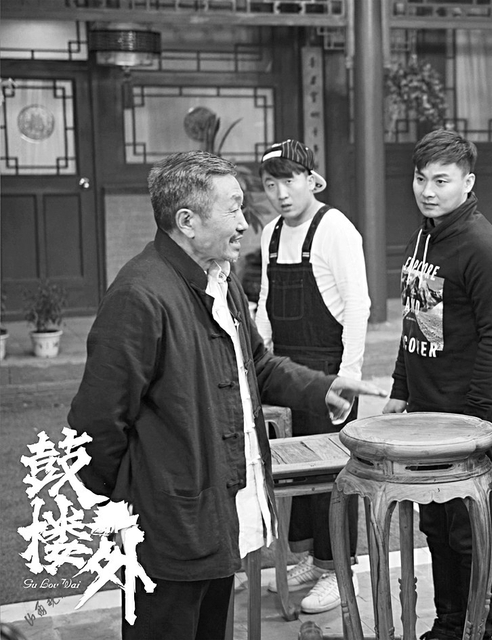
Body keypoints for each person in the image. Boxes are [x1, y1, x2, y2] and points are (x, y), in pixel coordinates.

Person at [68, 151, 384, 640]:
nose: (243, 223)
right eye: (233, 208)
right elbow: (96, 423)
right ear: (187, 221)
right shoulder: (140, 295)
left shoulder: (220, 278)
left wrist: (324, 387)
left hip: (218, 516)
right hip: (167, 527)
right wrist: (123, 504)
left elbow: (257, 364)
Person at [383, 128, 492, 640]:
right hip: (426, 415)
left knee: (468, 534)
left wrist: (476, 423)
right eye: (421, 179)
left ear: (468, 182)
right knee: (435, 528)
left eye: (441, 180)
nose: (428, 190)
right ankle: (449, 623)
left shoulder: (482, 248)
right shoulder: (425, 236)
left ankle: (479, 628)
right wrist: (400, 390)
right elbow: (414, 323)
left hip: (467, 418)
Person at [255, 139, 370, 612]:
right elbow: (265, 303)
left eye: (289, 181)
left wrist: (347, 377)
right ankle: (310, 560)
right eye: (271, 184)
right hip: (285, 373)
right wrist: (255, 359)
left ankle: (340, 573)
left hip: (328, 371)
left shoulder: (336, 228)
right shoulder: (270, 233)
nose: (281, 193)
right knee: (293, 477)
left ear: (310, 180)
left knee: (333, 478)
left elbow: (358, 306)